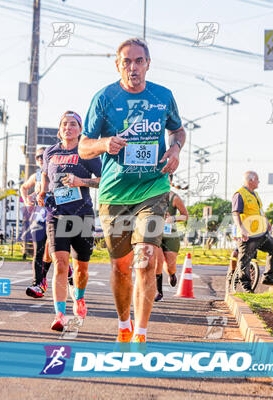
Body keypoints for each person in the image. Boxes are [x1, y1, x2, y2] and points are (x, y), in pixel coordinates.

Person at [78, 38, 186, 343]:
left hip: (153, 188)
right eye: (127, 61)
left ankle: (141, 333)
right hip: (114, 193)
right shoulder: (104, 98)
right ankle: (124, 323)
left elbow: (177, 130)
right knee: (121, 267)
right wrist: (104, 143)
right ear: (118, 65)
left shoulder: (163, 96)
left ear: (148, 64)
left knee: (147, 257)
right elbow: (84, 147)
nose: (133, 67)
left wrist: (175, 148)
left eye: (139, 61)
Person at [37, 111, 102, 331]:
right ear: (59, 129)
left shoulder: (87, 152)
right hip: (56, 214)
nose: (68, 127)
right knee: (61, 264)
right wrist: (41, 190)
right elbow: (45, 175)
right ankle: (59, 315)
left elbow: (103, 181)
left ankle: (80, 297)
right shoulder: (50, 152)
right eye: (64, 124)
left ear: (80, 129)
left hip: (83, 214)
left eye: (73, 124)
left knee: (81, 269)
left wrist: (80, 181)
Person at [230, 171, 273, 290]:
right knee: (245, 260)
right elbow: (235, 213)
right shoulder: (239, 194)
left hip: (261, 234)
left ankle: (268, 276)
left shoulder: (255, 194)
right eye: (257, 179)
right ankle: (246, 286)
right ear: (250, 180)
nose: (259, 182)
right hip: (248, 235)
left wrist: (267, 221)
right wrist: (241, 229)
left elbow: (260, 211)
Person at [20, 146, 52, 298]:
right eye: (38, 157)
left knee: (52, 251)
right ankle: (37, 283)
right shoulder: (36, 175)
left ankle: (64, 273)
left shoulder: (56, 172)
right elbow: (23, 187)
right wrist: (27, 200)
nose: (40, 159)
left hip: (55, 216)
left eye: (43, 156)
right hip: (39, 218)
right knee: (38, 251)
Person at [154, 176, 188, 302]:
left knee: (170, 266)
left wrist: (173, 218)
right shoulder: (150, 195)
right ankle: (159, 292)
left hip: (170, 235)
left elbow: (185, 216)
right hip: (155, 234)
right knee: (158, 262)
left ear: (170, 182)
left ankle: (172, 274)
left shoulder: (174, 197)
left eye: (166, 179)